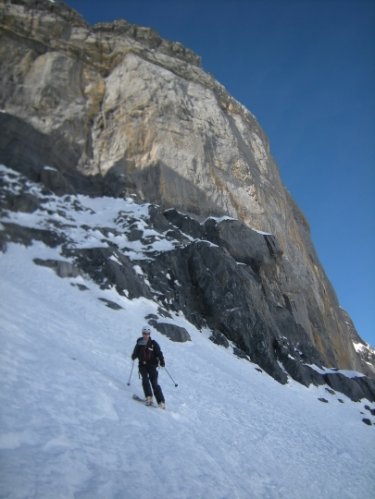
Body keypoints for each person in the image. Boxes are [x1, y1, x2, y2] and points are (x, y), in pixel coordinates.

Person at [131, 326, 166, 409]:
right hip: (142, 365)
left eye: (147, 334)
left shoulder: (153, 343)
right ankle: (149, 397)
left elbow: (159, 353)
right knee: (145, 379)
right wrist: (134, 356)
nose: (145, 335)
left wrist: (162, 361)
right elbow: (136, 351)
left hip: (152, 365)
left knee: (154, 383)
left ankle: (161, 401)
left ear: (149, 334)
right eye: (144, 333)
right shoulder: (140, 342)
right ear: (142, 334)